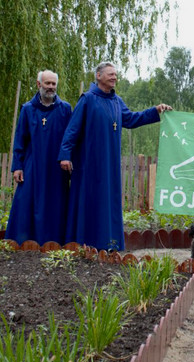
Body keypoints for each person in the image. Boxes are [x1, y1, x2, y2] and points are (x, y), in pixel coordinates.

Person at [58, 62, 172, 251]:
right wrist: (65, 155)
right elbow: (72, 130)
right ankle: (83, 244)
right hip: (89, 162)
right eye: (110, 74)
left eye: (116, 75)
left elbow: (132, 119)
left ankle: (107, 243)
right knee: (88, 200)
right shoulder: (87, 99)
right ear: (98, 76)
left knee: (107, 203)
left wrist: (155, 111)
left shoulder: (117, 101)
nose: (114, 77)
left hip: (110, 164)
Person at [6, 70, 73, 245]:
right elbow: (20, 140)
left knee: (56, 203)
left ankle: (55, 242)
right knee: (26, 201)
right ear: (39, 84)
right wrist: (17, 166)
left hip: (56, 167)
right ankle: (22, 242)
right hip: (32, 165)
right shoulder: (28, 109)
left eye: (53, 84)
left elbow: (71, 137)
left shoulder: (65, 109)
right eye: (47, 83)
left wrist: (69, 158)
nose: (50, 87)